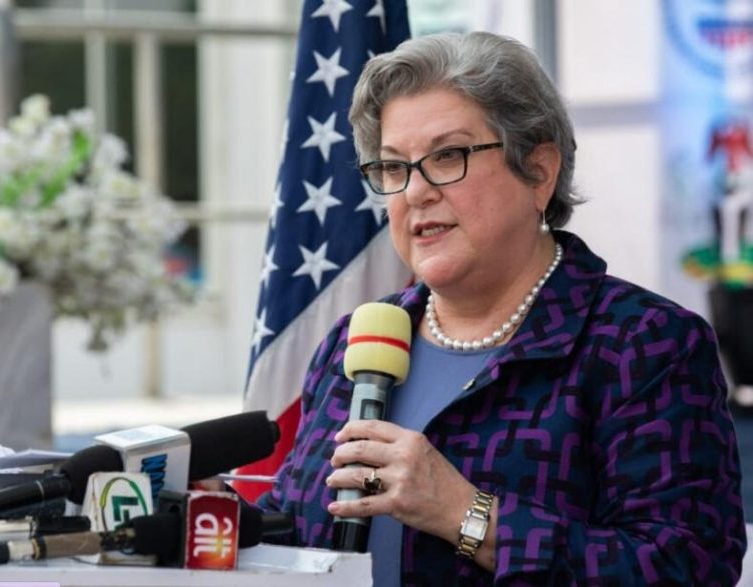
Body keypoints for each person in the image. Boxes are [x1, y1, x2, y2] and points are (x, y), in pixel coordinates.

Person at [256, 31, 746, 584]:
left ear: (539, 171)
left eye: (447, 156)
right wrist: (207, 515)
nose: (415, 192)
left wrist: (467, 515)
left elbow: (688, 566)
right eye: (393, 167)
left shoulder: (642, 343)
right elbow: (295, 527)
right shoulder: (356, 341)